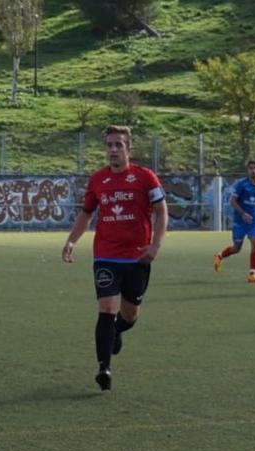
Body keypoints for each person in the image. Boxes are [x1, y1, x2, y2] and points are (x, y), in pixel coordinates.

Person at [62, 125, 168, 392]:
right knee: (106, 308)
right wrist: (72, 240)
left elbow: (161, 211)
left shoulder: (145, 177)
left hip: (137, 258)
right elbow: (86, 214)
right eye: (109, 145)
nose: (112, 150)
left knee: (130, 314)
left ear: (128, 149)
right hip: (106, 256)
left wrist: (155, 245)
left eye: (118, 145)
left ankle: (118, 330)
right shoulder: (98, 180)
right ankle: (103, 367)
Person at [213, 160, 255, 282]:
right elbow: (232, 201)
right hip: (240, 221)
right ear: (248, 171)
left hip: (254, 221)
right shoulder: (241, 185)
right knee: (237, 248)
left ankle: (252, 274)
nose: (253, 170)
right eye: (251, 168)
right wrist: (242, 213)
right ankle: (220, 255)